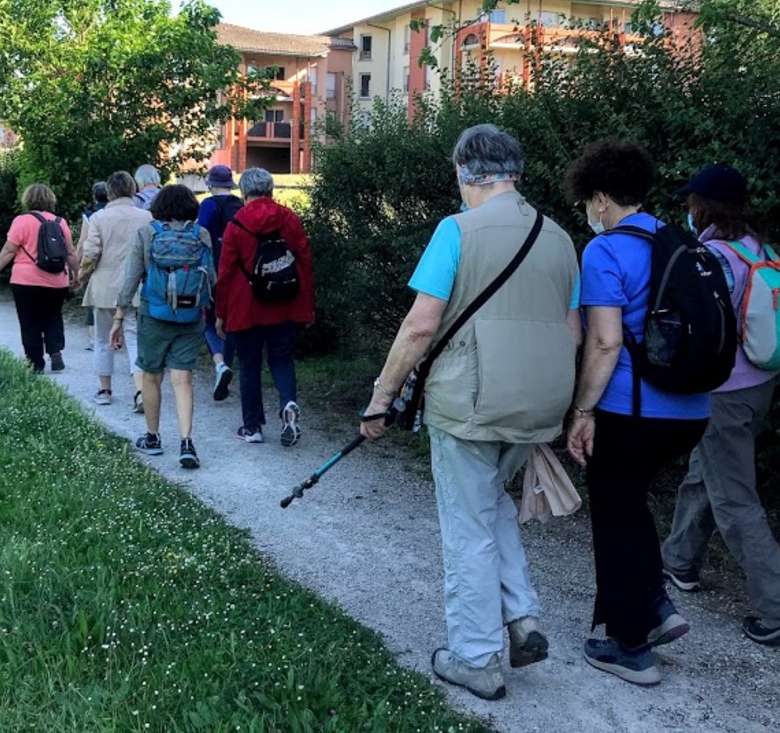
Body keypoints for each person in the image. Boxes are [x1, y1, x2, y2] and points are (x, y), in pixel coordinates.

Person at [359, 125, 578, 702]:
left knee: (467, 527)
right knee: (492, 505)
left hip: (472, 400)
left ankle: (476, 658)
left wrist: (382, 396)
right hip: (542, 400)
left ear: (464, 171)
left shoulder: (456, 230)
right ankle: (522, 617)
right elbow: (574, 330)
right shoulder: (558, 237)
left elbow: (420, 325)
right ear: (516, 172)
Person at [661, 164, 780, 644]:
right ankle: (678, 561)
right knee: (707, 471)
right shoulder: (760, 250)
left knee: (734, 499)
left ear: (703, 206)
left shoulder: (712, 257)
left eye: (690, 202)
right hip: (760, 386)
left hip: (723, 393)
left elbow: (697, 327)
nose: (687, 209)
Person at [564, 138, 710, 687]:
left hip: (633, 410)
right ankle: (655, 605)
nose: (590, 210)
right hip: (692, 410)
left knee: (613, 515)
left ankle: (630, 646)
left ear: (601, 197)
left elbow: (604, 343)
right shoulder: (679, 240)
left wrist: (582, 410)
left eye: (589, 200)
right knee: (631, 503)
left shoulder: (604, 250)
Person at [112, 184, 213, 469]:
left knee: (151, 377)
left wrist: (119, 316)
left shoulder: (147, 233)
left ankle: (153, 437)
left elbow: (131, 278)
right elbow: (212, 277)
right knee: (182, 379)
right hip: (190, 317)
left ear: (158, 207)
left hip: (153, 316)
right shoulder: (201, 235)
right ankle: (186, 442)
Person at [215, 167, 315, 447]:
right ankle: (288, 403)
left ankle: (253, 427)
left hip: (245, 307)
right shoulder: (289, 218)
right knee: (282, 359)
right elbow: (305, 263)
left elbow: (225, 273)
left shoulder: (236, 224)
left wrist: (221, 314)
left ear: (244, 192)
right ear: (271, 189)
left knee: (249, 365)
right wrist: (307, 306)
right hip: (285, 303)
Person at [0, 183, 79, 374]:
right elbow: (70, 252)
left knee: (29, 321)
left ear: (27, 200)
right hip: (57, 280)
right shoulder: (60, 222)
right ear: (50, 199)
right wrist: (76, 273)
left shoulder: (21, 221)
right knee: (53, 315)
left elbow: (9, 250)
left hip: (26, 281)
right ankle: (55, 352)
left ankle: (35, 363)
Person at [79, 171, 152, 407]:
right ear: (132, 189)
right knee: (134, 338)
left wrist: (82, 275)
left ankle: (105, 390)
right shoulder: (146, 216)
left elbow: (91, 253)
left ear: (110, 191)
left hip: (104, 285)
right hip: (136, 286)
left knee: (102, 338)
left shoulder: (99, 217)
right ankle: (139, 391)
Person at [196, 164, 244, 401]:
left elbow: (199, 235)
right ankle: (228, 364)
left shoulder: (208, 204)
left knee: (209, 321)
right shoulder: (239, 205)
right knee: (231, 321)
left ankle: (220, 365)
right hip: (239, 272)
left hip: (213, 270)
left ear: (211, 184)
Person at [78, 181, 111, 329]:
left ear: (94, 196)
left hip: (93, 262)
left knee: (92, 299)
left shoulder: (89, 216)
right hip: (113, 261)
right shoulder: (114, 213)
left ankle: (94, 332)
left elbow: (82, 242)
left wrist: (77, 264)